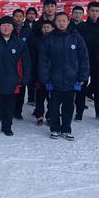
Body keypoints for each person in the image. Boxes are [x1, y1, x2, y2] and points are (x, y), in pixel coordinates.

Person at [39, 12, 89, 140]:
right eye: (59, 21)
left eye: (64, 21)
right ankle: (55, 129)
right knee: (54, 106)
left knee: (69, 106)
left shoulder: (76, 37)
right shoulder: (48, 38)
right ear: (55, 22)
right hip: (54, 79)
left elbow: (83, 58)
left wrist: (83, 76)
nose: (61, 23)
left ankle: (66, 129)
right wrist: (44, 78)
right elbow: (43, 60)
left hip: (71, 79)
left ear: (68, 21)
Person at [75, 1, 99, 121]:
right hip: (83, 62)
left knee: (98, 89)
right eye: (92, 11)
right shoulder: (80, 27)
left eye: (97, 11)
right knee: (81, 88)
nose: (94, 13)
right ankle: (79, 113)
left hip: (98, 63)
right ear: (88, 12)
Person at [12, 8, 34, 120]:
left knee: (21, 88)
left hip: (23, 62)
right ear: (13, 17)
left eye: (21, 16)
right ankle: (10, 110)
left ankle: (18, 111)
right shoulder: (9, 29)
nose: (18, 18)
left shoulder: (28, 30)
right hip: (11, 63)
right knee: (11, 88)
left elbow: (31, 47)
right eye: (16, 16)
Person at [31, 20, 54, 126]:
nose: (46, 29)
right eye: (44, 27)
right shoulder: (36, 41)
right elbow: (33, 58)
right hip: (39, 73)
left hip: (52, 74)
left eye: (48, 27)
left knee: (51, 98)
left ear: (53, 28)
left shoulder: (56, 40)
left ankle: (50, 116)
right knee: (39, 97)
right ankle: (39, 115)